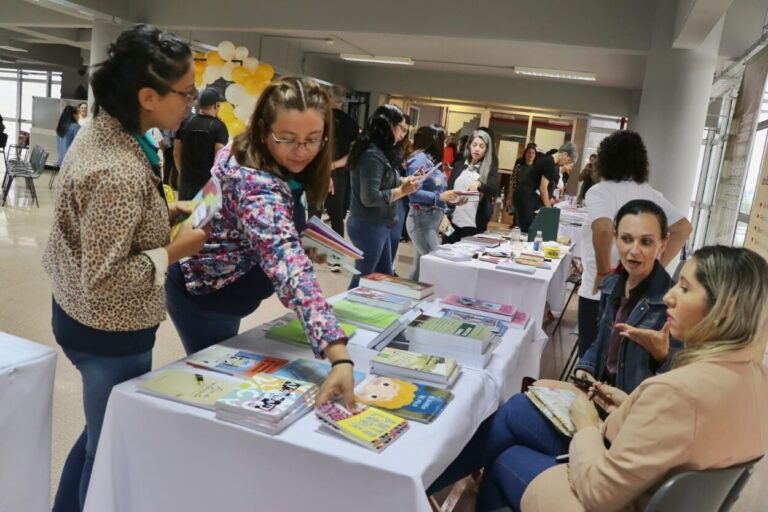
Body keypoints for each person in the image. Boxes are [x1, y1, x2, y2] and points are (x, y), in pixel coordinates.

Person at [429, 244, 768, 512]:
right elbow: (684, 436)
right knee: (519, 410)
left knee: (506, 455)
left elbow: (599, 493)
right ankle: (419, 484)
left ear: (724, 308)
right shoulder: (755, 376)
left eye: (685, 287)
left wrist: (589, 423)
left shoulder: (679, 391)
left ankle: (417, 484)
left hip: (616, 494)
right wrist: (628, 404)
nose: (669, 297)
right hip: (643, 481)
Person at [42, 24, 209, 510]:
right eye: (187, 92)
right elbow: (106, 279)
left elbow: (100, 225)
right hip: (107, 331)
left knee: (100, 430)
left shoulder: (104, 129)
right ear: (148, 96)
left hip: (77, 313)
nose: (192, 103)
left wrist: (165, 210)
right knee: (107, 449)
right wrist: (177, 251)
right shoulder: (116, 170)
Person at [165, 76, 357, 409]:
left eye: (314, 139)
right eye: (287, 139)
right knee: (216, 397)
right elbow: (290, 270)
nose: (301, 151)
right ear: (264, 131)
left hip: (226, 283)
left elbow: (267, 235)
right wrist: (339, 357)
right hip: (207, 295)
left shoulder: (259, 154)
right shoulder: (256, 185)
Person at [578, 131, 692, 356]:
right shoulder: (650, 194)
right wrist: (654, 265)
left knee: (592, 357)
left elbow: (601, 228)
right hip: (638, 292)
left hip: (599, 291)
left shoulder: (601, 191)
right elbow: (683, 228)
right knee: (623, 360)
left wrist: (603, 273)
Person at [570, 200, 681, 394]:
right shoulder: (610, 285)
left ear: (663, 243)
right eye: (627, 239)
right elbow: (601, 342)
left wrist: (663, 356)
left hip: (633, 410)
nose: (634, 251)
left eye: (646, 242)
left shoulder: (672, 304)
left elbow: (681, 379)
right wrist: (584, 369)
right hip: (596, 394)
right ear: (615, 237)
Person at [346, 104, 418, 288]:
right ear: (388, 125)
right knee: (365, 276)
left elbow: (384, 181)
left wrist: (404, 181)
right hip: (368, 224)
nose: (403, 134)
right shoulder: (372, 154)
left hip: (378, 223)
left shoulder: (380, 151)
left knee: (382, 274)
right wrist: (402, 191)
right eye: (401, 128)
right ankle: (345, 313)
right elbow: (370, 198)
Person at [405, 124, 463, 280]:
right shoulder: (419, 160)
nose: (446, 144)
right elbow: (412, 193)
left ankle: (410, 300)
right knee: (436, 264)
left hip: (430, 221)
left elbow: (438, 193)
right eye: (444, 140)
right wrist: (440, 198)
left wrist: (453, 200)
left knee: (419, 269)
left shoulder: (432, 161)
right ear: (435, 140)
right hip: (421, 220)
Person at [173, 87, 229, 199]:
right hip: (208, 184)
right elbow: (219, 158)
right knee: (204, 216)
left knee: (184, 215)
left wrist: (183, 174)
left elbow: (176, 153)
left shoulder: (185, 123)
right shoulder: (219, 127)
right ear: (216, 105)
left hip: (186, 182)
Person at [444, 129, 499, 242]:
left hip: (472, 225)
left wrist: (479, 184)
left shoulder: (489, 169)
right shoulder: (459, 165)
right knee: (446, 251)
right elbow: (448, 190)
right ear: (469, 146)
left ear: (486, 150)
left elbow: (493, 189)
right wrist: (444, 215)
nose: (477, 149)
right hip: (451, 222)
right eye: (474, 145)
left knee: (467, 256)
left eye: (481, 146)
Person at [514, 141, 578, 233]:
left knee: (528, 227)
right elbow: (543, 188)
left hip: (526, 194)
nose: (565, 163)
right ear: (565, 154)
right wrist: (549, 210)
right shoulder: (550, 163)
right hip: (525, 195)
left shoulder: (549, 161)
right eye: (568, 161)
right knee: (527, 229)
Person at [390, 113, 412, 267]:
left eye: (406, 131)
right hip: (386, 201)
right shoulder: (377, 151)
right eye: (401, 129)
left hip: (399, 200)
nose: (402, 134)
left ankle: (388, 271)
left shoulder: (401, 148)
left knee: (392, 241)